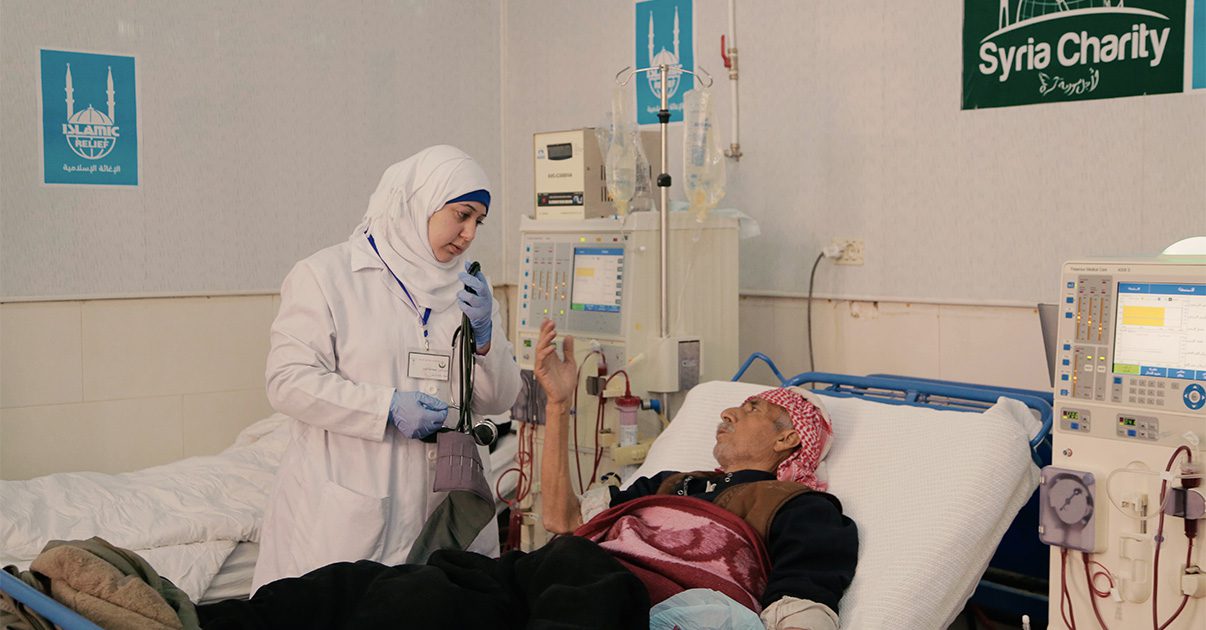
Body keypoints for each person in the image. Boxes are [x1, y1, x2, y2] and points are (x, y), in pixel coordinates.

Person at [251, 145, 522, 592]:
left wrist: (487, 337)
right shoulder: (328, 276)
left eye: (479, 221)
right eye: (462, 214)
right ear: (420, 202)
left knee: (437, 611)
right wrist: (386, 407)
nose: (470, 233)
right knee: (344, 611)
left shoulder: (470, 284)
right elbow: (287, 382)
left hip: (443, 500)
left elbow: (498, 398)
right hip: (354, 498)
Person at [533, 319, 858, 630]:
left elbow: (802, 606)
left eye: (752, 409)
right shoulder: (670, 482)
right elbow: (563, 520)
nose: (727, 413)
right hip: (565, 573)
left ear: (787, 438)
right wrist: (558, 405)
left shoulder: (799, 506)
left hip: (630, 597)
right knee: (485, 580)